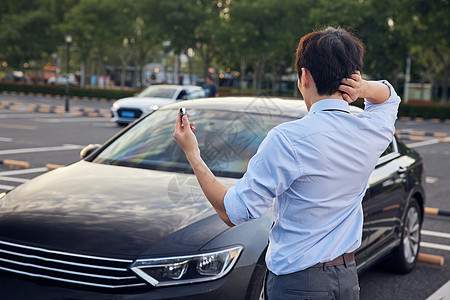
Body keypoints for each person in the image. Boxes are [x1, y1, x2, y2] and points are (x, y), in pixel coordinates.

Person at [173, 27, 400, 299]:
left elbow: (233, 213)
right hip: (348, 278)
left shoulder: (288, 139)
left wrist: (193, 155)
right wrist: (362, 88)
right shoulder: (371, 131)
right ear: (352, 77)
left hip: (299, 284)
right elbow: (389, 97)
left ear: (304, 76)